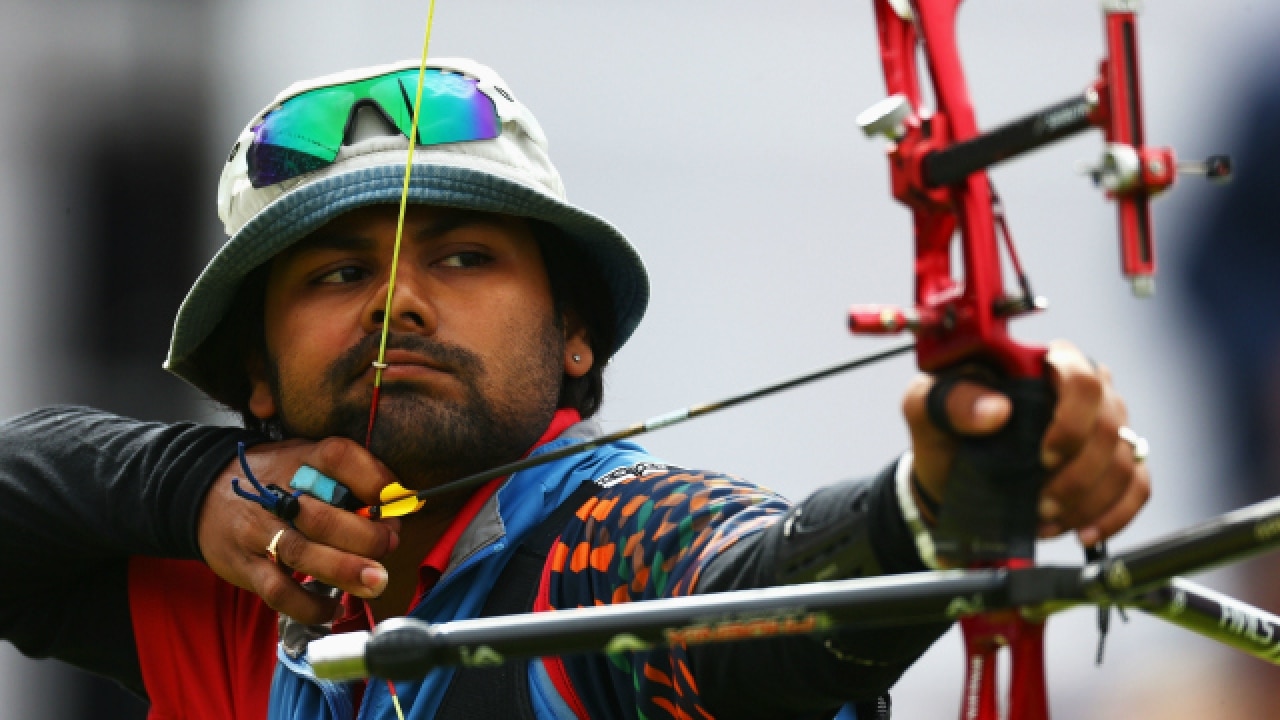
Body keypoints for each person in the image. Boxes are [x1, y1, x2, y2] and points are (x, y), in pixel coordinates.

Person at [0, 57, 1148, 720]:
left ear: (575, 342)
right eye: (340, 273)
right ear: (257, 371)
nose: (397, 302)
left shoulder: (600, 548)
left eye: (462, 257)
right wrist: (196, 487)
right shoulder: (249, 597)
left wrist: (927, 510)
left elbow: (748, 599)